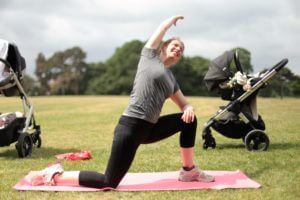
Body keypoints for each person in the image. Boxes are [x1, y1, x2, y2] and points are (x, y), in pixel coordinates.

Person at [29, 15, 215, 188]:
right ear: (163, 47)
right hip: (131, 128)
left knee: (189, 120)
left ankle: (189, 171)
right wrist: (169, 22)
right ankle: (55, 175)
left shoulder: (171, 79)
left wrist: (189, 108)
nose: (178, 49)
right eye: (174, 45)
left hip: (149, 129)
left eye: (181, 49)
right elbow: (159, 31)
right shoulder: (148, 58)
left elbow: (184, 104)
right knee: (108, 182)